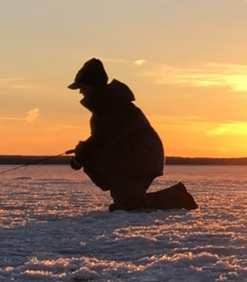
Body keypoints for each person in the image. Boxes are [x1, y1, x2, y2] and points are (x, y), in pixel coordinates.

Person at [68, 58, 196, 211]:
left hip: (140, 158)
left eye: (82, 87)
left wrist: (79, 158)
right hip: (139, 156)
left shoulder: (110, 107)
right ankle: (173, 196)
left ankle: (175, 198)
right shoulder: (110, 105)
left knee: (129, 204)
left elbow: (100, 141)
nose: (81, 92)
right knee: (129, 203)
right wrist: (82, 152)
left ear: (92, 86)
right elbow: (103, 138)